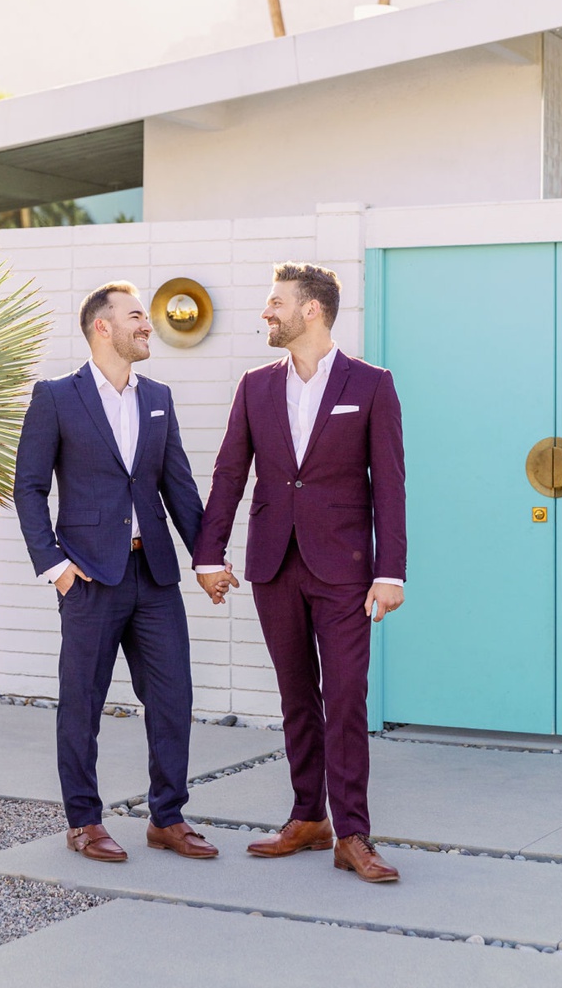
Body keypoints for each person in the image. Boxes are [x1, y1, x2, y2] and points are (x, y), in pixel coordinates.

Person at [194, 262, 407, 883]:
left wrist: (390, 570)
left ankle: (354, 834)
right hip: (273, 564)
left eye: (275, 302)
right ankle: (309, 818)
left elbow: (390, 486)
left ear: (311, 309)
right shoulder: (256, 385)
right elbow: (230, 474)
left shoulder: (371, 384)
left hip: (344, 569)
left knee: (344, 698)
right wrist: (210, 556)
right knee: (296, 697)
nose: (267, 312)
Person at [13, 281, 216, 863]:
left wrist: (206, 558)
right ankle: (83, 820)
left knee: (174, 696)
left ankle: (167, 818)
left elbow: (179, 488)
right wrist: (54, 566)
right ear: (103, 327)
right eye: (136, 317)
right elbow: (29, 487)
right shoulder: (56, 396)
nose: (147, 325)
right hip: (89, 577)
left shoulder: (158, 397)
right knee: (82, 701)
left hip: (153, 575)